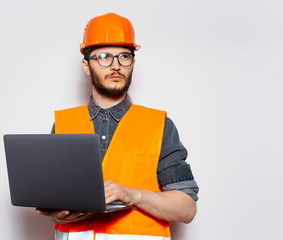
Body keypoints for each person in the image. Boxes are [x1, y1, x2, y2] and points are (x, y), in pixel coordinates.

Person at [36, 12, 199, 240]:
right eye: (103, 56)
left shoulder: (158, 126)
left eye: (124, 56)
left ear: (133, 62)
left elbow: (187, 209)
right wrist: (59, 214)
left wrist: (132, 195)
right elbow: (58, 205)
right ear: (86, 65)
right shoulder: (63, 125)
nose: (115, 66)